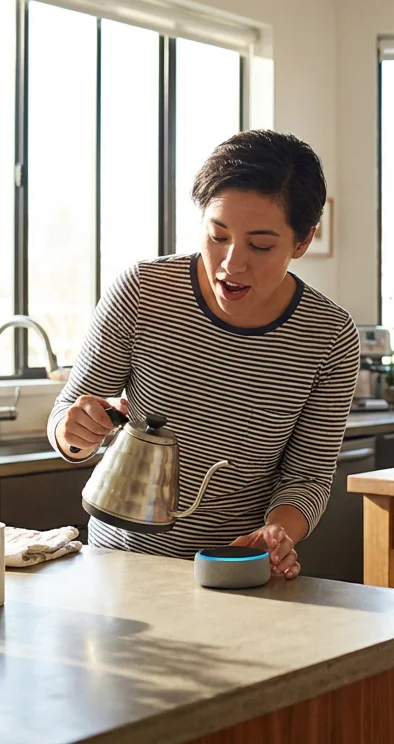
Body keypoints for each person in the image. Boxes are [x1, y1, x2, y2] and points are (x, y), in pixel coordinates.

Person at [47, 129, 360, 580]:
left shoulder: (328, 335)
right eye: (217, 235)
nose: (232, 263)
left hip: (234, 572)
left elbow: (307, 478)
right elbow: (68, 420)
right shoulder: (142, 292)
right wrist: (75, 430)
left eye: (261, 245)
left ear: (303, 240)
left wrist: (276, 532)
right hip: (118, 569)